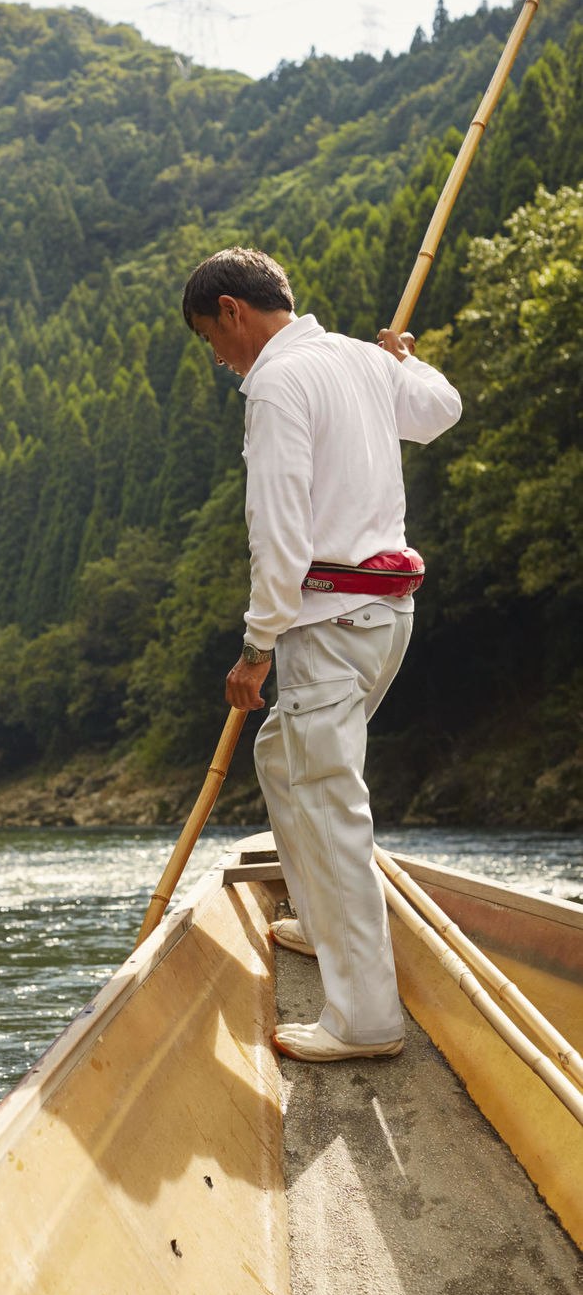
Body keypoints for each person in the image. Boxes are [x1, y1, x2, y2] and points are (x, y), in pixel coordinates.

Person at [181, 246, 462, 1062]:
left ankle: (365, 1017)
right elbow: (441, 405)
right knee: (283, 758)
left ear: (233, 310)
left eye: (212, 338)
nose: (220, 359)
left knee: (330, 805)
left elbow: (280, 534)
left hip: (327, 630)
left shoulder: (275, 382)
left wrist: (256, 648)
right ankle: (317, 915)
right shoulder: (361, 362)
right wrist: (402, 361)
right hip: (386, 624)